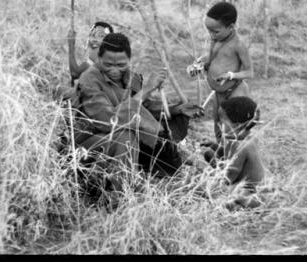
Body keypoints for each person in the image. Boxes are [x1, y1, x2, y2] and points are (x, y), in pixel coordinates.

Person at [73, 33, 208, 196]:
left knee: (160, 127)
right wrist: (146, 90)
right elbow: (109, 121)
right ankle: (121, 195)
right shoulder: (89, 80)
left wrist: (177, 109)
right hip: (90, 143)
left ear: (128, 60)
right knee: (125, 136)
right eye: (108, 64)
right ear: (99, 59)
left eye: (121, 65)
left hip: (124, 138)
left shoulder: (131, 77)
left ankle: (169, 176)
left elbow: (145, 108)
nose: (115, 70)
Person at [187, 2, 254, 141]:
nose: (211, 35)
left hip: (235, 91)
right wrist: (198, 67)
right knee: (218, 126)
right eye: (209, 31)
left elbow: (249, 72)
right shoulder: (216, 40)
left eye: (215, 31)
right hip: (219, 93)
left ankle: (238, 157)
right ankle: (221, 158)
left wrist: (231, 75)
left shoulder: (238, 45)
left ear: (230, 27)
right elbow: (212, 61)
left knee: (234, 128)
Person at [203, 96, 264, 210]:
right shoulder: (242, 138)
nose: (219, 125)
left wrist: (202, 167)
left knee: (215, 195)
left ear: (236, 125)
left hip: (249, 190)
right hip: (242, 183)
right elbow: (228, 155)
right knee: (209, 155)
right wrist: (214, 146)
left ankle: (238, 206)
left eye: (222, 122)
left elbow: (228, 177)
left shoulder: (242, 146)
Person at [67, 21, 114, 86]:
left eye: (101, 36)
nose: (95, 39)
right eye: (93, 35)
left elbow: (74, 74)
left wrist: (71, 45)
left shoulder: (98, 53)